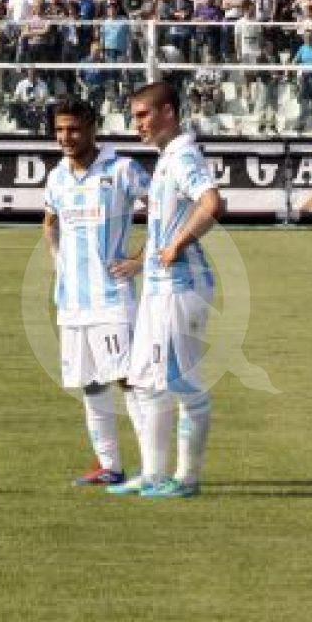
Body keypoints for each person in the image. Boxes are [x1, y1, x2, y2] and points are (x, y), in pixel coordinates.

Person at [110, 81, 223, 500]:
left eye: (143, 115)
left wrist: (180, 244)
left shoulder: (183, 156)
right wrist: (145, 259)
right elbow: (167, 225)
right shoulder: (166, 159)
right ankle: (154, 474)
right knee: (144, 381)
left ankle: (187, 479)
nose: (137, 124)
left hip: (182, 286)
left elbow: (212, 203)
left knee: (183, 384)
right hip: (159, 288)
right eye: (135, 116)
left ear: (169, 112)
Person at [42, 98, 149, 486]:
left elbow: (166, 210)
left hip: (112, 299)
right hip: (72, 302)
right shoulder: (57, 176)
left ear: (92, 128)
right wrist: (58, 260)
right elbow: (49, 221)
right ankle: (110, 466)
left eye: (73, 129)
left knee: (128, 380)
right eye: (59, 130)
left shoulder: (121, 169)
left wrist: (141, 259)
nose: (65, 137)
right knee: (90, 383)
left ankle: (153, 469)